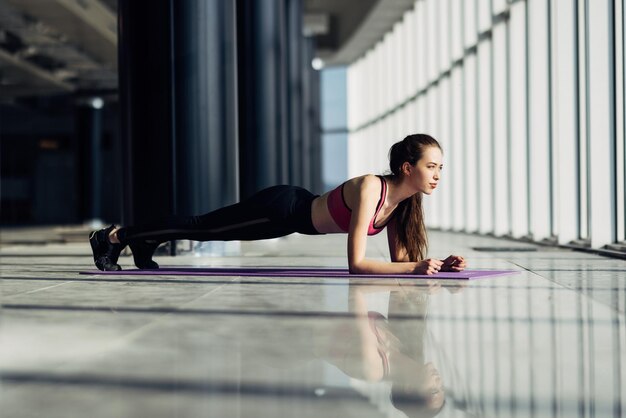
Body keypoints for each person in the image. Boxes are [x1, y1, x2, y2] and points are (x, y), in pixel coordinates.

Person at [89, 133, 467, 274]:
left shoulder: (402, 205)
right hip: (283, 207)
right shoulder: (372, 187)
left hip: (291, 216)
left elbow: (401, 263)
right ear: (407, 167)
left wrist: (439, 266)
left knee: (206, 228)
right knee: (204, 227)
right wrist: (418, 268)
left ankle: (144, 240)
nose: (436, 175)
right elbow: (357, 265)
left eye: (440, 168)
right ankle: (115, 236)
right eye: (431, 167)